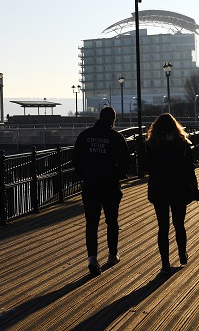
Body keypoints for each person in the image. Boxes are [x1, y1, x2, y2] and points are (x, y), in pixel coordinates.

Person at [72, 106, 131, 276]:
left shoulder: (85, 135)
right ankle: (112, 255)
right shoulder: (116, 137)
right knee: (112, 221)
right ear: (113, 120)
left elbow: (76, 160)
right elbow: (126, 161)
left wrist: (85, 175)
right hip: (110, 185)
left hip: (90, 185)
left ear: (99, 117)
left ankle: (92, 258)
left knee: (91, 223)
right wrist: (117, 176)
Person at [144, 113, 199, 275]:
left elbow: (144, 166)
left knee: (163, 227)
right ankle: (182, 253)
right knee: (179, 224)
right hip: (179, 188)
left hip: (159, 188)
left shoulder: (151, 144)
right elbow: (189, 166)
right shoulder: (181, 143)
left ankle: (165, 264)